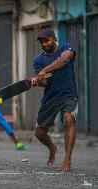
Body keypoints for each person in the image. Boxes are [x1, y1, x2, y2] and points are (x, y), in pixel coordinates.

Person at [32, 28, 78, 172]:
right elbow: (45, 83)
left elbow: (64, 60)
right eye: (42, 42)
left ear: (54, 39)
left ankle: (67, 160)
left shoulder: (66, 47)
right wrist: (38, 81)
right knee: (39, 133)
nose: (44, 44)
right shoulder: (38, 60)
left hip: (69, 95)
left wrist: (45, 70)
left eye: (47, 40)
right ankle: (52, 148)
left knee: (68, 119)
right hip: (50, 98)